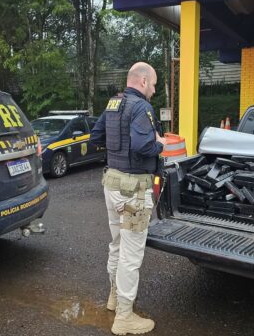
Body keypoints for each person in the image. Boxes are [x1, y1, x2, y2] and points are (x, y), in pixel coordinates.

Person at [90, 62, 166, 335]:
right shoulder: (141, 107)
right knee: (131, 256)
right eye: (154, 84)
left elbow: (96, 136)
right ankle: (124, 317)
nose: (155, 90)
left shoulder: (113, 103)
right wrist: (161, 143)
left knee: (117, 245)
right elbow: (144, 145)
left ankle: (113, 299)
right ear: (143, 81)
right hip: (134, 191)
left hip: (111, 184)